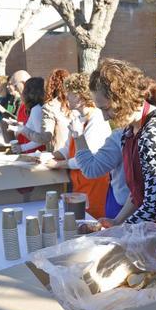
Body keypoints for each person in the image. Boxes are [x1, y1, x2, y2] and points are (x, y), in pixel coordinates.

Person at [90, 59, 156, 228]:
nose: (105, 117)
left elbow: (155, 207)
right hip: (152, 225)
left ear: (124, 98)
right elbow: (137, 193)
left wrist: (120, 231)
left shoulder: (155, 134)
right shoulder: (128, 132)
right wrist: (117, 221)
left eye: (106, 108)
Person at [45, 72, 113, 219]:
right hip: (80, 183)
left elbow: (87, 159)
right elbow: (67, 148)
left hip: (95, 183)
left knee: (92, 220)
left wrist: (57, 165)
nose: (66, 97)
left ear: (79, 95)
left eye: (69, 93)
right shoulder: (77, 117)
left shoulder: (97, 119)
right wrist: (48, 156)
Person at [37, 68, 72, 152]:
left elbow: (45, 137)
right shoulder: (76, 103)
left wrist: (24, 130)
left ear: (50, 85)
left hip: (59, 155)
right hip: (75, 153)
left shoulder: (49, 107)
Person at [10, 77, 46, 154]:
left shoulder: (36, 109)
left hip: (36, 153)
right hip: (34, 152)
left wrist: (21, 148)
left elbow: (41, 139)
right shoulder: (37, 107)